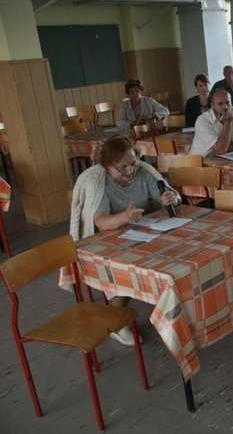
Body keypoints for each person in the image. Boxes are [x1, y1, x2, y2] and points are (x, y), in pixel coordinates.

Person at [69, 136, 179, 345]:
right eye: (122, 168)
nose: (130, 171)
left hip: (142, 233)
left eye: (133, 163)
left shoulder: (143, 171)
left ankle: (169, 304)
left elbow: (166, 193)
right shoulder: (97, 182)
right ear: (107, 166)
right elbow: (100, 222)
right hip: (109, 239)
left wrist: (169, 198)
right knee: (127, 269)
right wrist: (124, 217)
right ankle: (115, 322)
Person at [190, 88, 233, 156]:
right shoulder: (202, 120)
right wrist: (228, 121)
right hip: (201, 163)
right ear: (212, 105)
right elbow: (221, 149)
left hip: (225, 159)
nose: (225, 107)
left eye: (228, 103)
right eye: (220, 104)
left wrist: (221, 147)